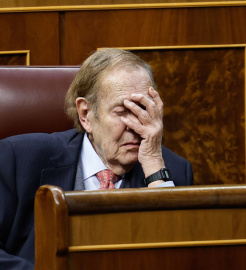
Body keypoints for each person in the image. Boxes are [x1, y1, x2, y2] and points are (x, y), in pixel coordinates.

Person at [0, 48, 193, 269]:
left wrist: (153, 165)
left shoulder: (173, 173)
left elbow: (178, 257)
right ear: (86, 115)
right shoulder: (18, 159)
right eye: (122, 111)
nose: (136, 126)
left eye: (143, 110)